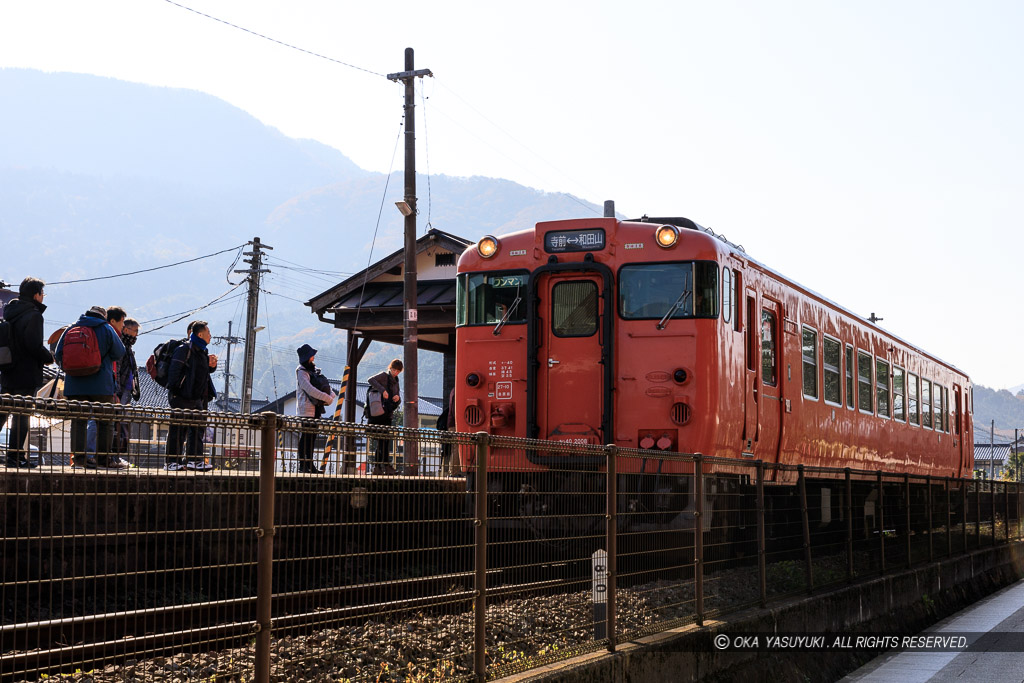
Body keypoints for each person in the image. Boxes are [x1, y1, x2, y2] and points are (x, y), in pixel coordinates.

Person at [55, 305, 126, 469]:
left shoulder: (72, 328)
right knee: (105, 422)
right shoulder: (107, 328)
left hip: (75, 384)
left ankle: (79, 460)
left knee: (78, 421)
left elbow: (59, 354)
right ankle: (104, 460)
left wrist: (73, 369)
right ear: (104, 316)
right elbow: (119, 352)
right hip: (101, 384)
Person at [0, 277, 54, 468]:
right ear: (36, 294)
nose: (43, 297)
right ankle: (15, 456)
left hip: (7, 370)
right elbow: (33, 344)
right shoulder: (33, 315)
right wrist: (48, 357)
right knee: (22, 415)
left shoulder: (10, 313)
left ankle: (14, 455)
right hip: (26, 373)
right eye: (42, 294)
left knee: (3, 411)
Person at [164, 320, 217, 472]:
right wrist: (179, 390)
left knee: (198, 430)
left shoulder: (202, 351)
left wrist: (211, 366)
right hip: (182, 396)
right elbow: (174, 373)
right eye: (208, 333)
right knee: (178, 430)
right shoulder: (184, 349)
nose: (210, 336)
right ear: (200, 334)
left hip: (198, 398)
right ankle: (172, 462)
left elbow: (202, 372)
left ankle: (195, 460)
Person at [294, 343, 336, 474]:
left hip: (316, 409)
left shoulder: (312, 370)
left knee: (312, 437)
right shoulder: (301, 371)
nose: (313, 358)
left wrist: (331, 395)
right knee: (305, 436)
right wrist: (327, 397)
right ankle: (303, 465)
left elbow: (324, 386)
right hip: (305, 410)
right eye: (311, 356)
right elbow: (309, 389)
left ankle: (310, 465)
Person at [112, 315, 141, 465]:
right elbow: (116, 371)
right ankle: (113, 457)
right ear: (126, 329)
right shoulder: (121, 347)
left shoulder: (128, 348)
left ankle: (116, 456)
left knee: (122, 425)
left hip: (126, 392)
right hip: (120, 392)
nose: (136, 334)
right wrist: (116, 392)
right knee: (117, 424)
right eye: (134, 331)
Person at [366, 358, 402, 475]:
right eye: (394, 370)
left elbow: (397, 398)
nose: (395, 372)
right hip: (378, 414)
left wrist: (398, 399)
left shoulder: (396, 382)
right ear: (390, 368)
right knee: (382, 441)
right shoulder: (383, 376)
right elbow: (370, 380)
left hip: (387, 414)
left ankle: (379, 467)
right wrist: (382, 390)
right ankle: (384, 466)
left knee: (384, 441)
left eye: (398, 371)